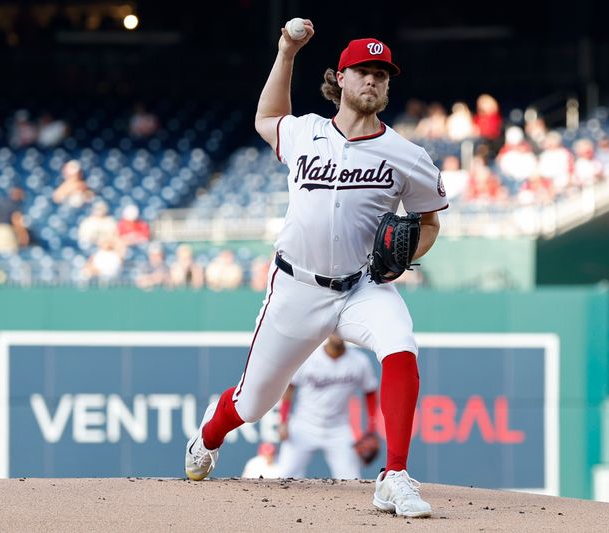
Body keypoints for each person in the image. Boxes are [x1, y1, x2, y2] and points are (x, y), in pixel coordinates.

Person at [184, 22, 446, 520]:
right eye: (363, 71)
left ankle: (394, 476)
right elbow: (267, 116)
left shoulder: (408, 156)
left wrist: (408, 256)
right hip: (296, 287)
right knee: (252, 402)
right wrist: (286, 52)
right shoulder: (305, 131)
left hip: (360, 287)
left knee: (401, 344)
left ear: (388, 88)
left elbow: (429, 223)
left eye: (381, 74)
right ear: (340, 79)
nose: (372, 80)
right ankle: (208, 437)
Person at [275, 335, 378, 480]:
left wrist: (371, 429)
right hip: (304, 425)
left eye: (341, 331)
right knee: (285, 477)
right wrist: (283, 421)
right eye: (335, 331)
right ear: (328, 332)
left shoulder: (359, 361)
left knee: (352, 480)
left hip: (338, 429)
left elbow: (370, 392)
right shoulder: (308, 357)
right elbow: (289, 388)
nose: (338, 335)